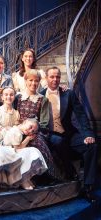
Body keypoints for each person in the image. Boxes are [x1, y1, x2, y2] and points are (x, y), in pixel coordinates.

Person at [40, 66, 98, 202]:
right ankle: (70, 171)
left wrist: (88, 134)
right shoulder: (40, 95)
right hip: (49, 135)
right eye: (52, 77)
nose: (55, 79)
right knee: (57, 141)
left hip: (68, 134)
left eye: (58, 77)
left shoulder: (68, 93)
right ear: (46, 78)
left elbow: (81, 115)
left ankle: (88, 187)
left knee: (92, 146)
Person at [0, 99, 47, 190]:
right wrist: (27, 139)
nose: (30, 131)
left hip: (1, 143)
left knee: (32, 151)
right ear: (25, 122)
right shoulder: (17, 132)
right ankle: (22, 180)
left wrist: (2, 130)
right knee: (16, 154)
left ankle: (25, 178)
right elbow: (16, 147)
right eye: (30, 127)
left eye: (33, 131)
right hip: (2, 146)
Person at [14, 69, 58, 180]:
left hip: (36, 131)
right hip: (19, 130)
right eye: (31, 80)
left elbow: (44, 122)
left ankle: (45, 175)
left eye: (36, 81)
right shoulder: (18, 98)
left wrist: (32, 131)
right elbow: (14, 116)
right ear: (25, 81)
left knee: (38, 142)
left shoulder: (42, 99)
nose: (33, 83)